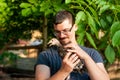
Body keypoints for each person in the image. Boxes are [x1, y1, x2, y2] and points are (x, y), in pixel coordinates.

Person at [35, 10, 110, 80]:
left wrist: (86, 58)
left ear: (75, 27)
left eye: (66, 30)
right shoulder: (46, 56)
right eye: (57, 32)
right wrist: (63, 72)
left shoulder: (92, 54)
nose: (61, 35)